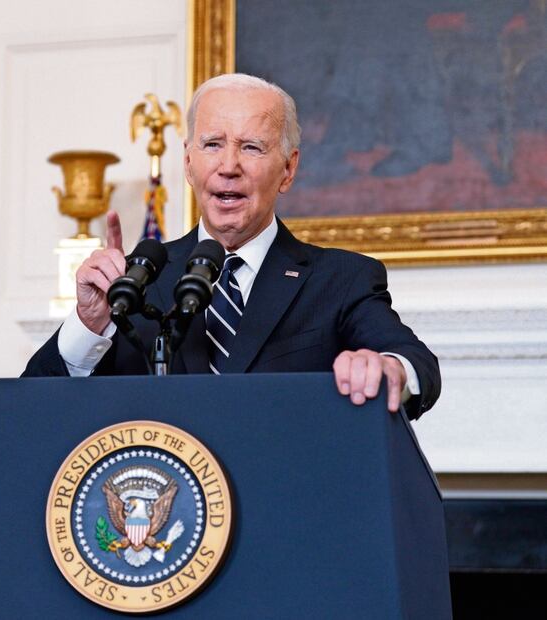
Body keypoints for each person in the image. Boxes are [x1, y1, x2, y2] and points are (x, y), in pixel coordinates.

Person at [23, 73, 440, 420]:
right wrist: (88, 323)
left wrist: (390, 369)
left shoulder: (340, 279)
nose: (228, 167)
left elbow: (417, 364)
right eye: (212, 145)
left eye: (252, 147)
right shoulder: (134, 281)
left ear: (288, 169)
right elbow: (32, 408)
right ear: (188, 162)